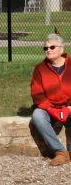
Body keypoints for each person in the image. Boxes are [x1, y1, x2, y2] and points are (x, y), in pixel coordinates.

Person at [29, 33, 71, 166]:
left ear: (61, 49)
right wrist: (50, 108)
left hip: (69, 107)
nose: (48, 50)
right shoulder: (39, 69)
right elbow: (37, 94)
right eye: (45, 48)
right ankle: (60, 152)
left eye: (52, 47)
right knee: (37, 116)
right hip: (49, 108)